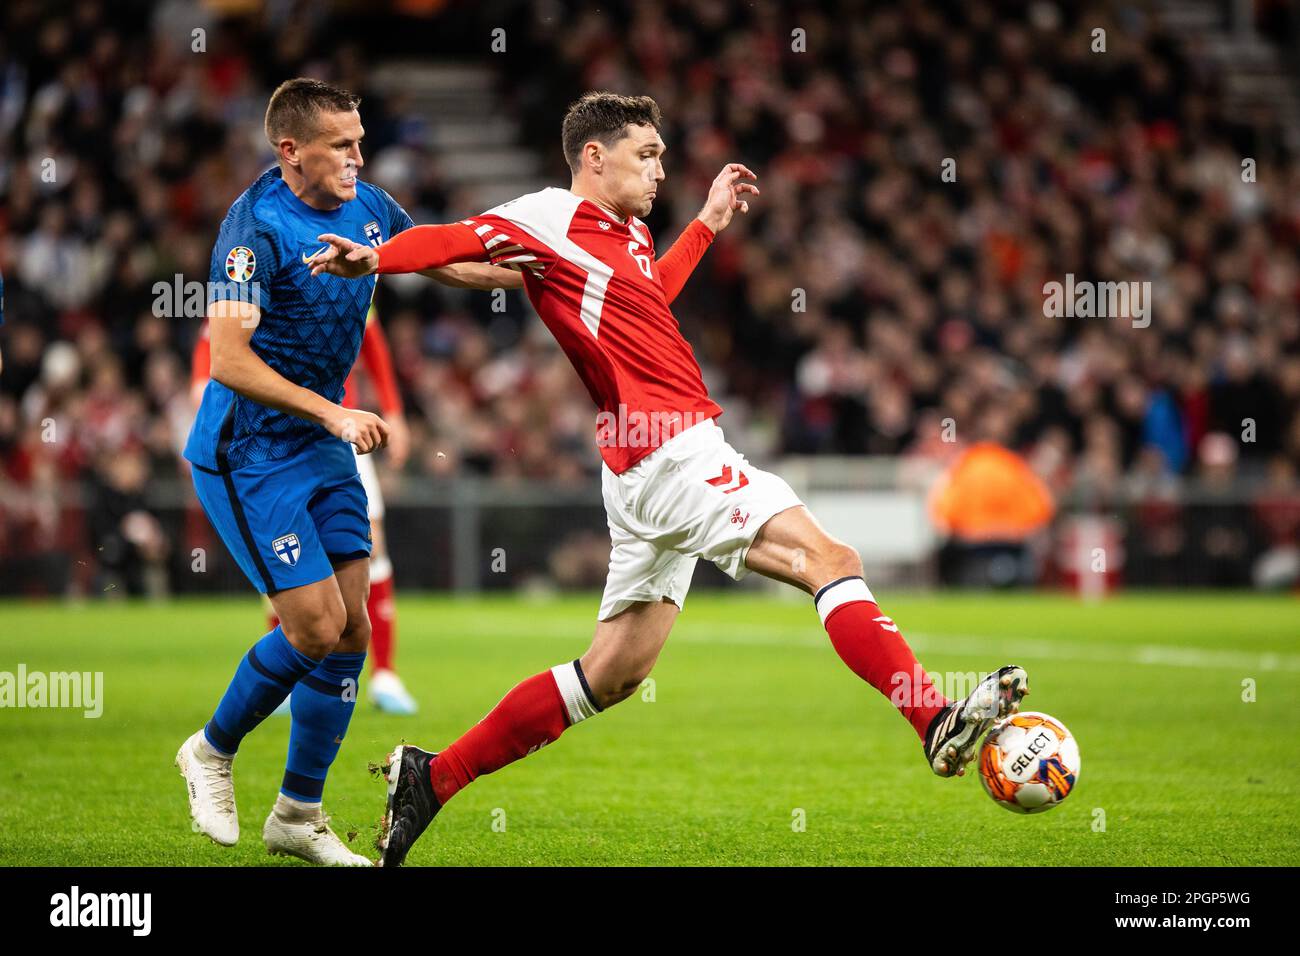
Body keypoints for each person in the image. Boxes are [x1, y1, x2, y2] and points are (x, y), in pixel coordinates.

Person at [311, 92, 1029, 867]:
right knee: (832, 561)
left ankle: (431, 778)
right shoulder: (549, 216)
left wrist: (708, 224)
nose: (660, 170)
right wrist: (377, 257)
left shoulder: (630, 235)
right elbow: (454, 237)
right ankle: (933, 720)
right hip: (672, 452)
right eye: (645, 155)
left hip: (643, 467)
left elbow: (650, 296)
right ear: (594, 157)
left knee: (611, 674)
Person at [177, 77, 510, 865]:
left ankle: (298, 813)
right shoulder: (252, 227)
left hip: (322, 444)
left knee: (354, 628)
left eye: (361, 141)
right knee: (315, 628)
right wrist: (331, 412)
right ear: (290, 150)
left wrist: (541, 275)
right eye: (343, 145)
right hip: (248, 451)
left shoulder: (368, 206)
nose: (361, 157)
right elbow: (227, 359)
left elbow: (439, 263)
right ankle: (211, 749)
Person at [191, 309, 422, 715]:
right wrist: (201, 395)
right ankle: (288, 676)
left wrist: (395, 412)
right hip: (268, 442)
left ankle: (384, 674)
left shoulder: (341, 261)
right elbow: (215, 347)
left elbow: (370, 336)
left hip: (337, 430)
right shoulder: (254, 263)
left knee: (371, 544)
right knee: (285, 554)